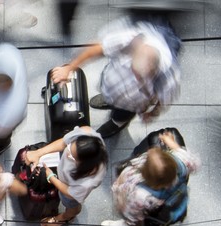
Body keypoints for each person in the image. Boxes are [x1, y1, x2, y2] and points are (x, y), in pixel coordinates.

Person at [50, 17, 181, 138]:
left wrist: (151, 114)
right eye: (133, 70)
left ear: (154, 71)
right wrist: (69, 68)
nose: (134, 78)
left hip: (130, 105)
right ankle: (109, 99)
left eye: (140, 77)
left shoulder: (169, 79)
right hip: (111, 82)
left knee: (121, 115)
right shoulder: (130, 39)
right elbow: (95, 49)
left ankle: (117, 123)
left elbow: (163, 102)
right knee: (108, 90)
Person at [107, 131, 200, 226]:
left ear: (144, 172)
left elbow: (130, 211)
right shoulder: (181, 162)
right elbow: (193, 162)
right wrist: (172, 143)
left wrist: (130, 219)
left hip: (143, 207)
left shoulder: (140, 192)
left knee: (132, 221)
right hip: (169, 197)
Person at [21, 125, 107, 226]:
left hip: (70, 189)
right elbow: (64, 142)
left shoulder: (88, 182)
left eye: (72, 156)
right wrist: (38, 153)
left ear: (85, 164)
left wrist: (51, 177)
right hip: (63, 174)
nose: (67, 154)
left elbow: (70, 193)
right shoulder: (86, 133)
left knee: (71, 205)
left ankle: (64, 218)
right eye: (70, 148)